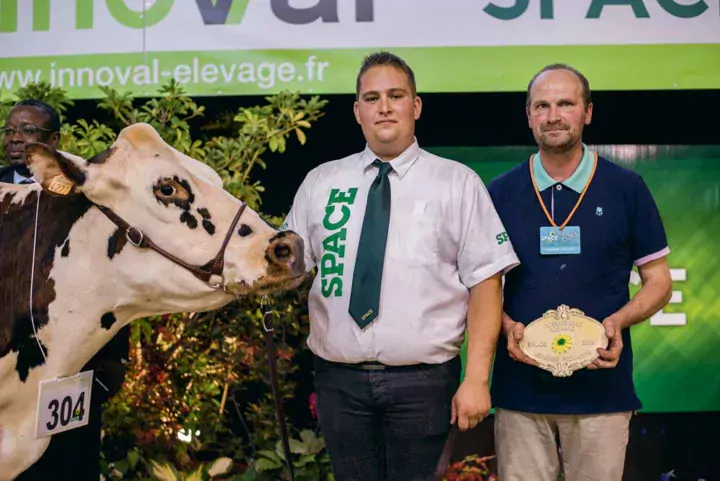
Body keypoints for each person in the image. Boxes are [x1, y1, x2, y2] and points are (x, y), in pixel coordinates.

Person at [282, 51, 519, 481]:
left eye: (396, 95)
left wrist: (478, 378)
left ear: (417, 105)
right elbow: (288, 268)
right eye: (372, 98)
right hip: (339, 382)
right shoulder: (320, 182)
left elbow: (486, 284)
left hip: (424, 384)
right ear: (357, 112)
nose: (384, 106)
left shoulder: (457, 182)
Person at [486, 64, 673, 481]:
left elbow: (659, 282)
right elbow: (480, 287)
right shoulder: (498, 192)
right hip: (521, 392)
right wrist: (505, 326)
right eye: (542, 105)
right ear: (529, 115)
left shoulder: (627, 188)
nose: (553, 115)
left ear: (587, 112)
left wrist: (618, 322)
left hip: (601, 390)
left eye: (565, 104)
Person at [1, 98, 131, 480]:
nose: (15, 139)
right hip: (9, 358)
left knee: (68, 457)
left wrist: (113, 357)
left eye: (28, 131)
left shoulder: (83, 195)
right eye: (9, 130)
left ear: (53, 140)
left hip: (73, 362)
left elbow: (112, 272)